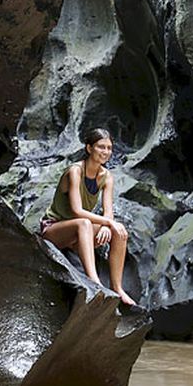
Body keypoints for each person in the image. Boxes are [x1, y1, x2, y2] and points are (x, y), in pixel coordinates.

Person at [40, 128, 136, 306]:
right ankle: (95, 283)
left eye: (109, 148)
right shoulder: (75, 171)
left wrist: (109, 226)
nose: (105, 152)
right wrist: (108, 222)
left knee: (120, 232)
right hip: (55, 230)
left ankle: (117, 288)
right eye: (101, 147)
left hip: (78, 236)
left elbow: (108, 211)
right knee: (84, 222)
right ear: (89, 148)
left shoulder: (107, 177)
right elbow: (77, 210)